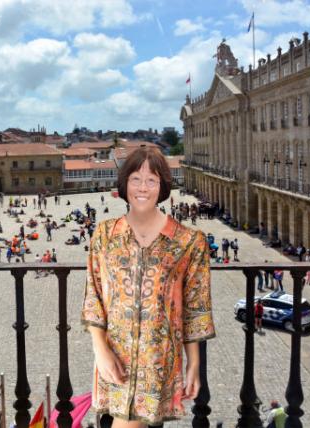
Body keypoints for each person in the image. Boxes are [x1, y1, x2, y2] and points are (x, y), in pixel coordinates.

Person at [82, 146, 215, 426]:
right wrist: (99, 350)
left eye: (151, 180)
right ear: (124, 184)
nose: (143, 188)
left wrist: (194, 364)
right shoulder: (105, 234)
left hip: (159, 360)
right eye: (135, 179)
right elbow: (93, 297)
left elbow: (195, 308)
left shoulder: (189, 242)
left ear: (163, 186)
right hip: (114, 357)